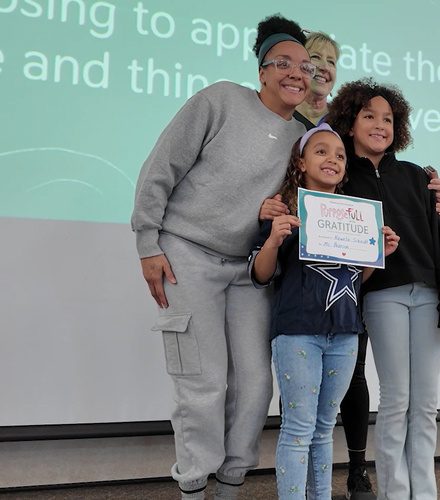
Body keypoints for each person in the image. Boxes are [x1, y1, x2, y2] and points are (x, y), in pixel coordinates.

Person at [130, 14, 316, 500]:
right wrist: (147, 242)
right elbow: (161, 166)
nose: (296, 73)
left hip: (249, 271)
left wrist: (426, 194)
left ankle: (231, 483)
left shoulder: (303, 135)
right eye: (283, 63)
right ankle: (194, 484)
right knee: (202, 381)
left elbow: (330, 181)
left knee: (255, 386)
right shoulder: (220, 100)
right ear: (262, 70)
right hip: (185, 253)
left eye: (305, 65)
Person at [325, 78, 440, 500]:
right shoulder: (342, 177)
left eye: (388, 118)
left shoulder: (415, 177)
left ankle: (423, 493)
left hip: (427, 298)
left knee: (425, 403)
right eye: (369, 115)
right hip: (381, 296)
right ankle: (394, 492)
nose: (379, 124)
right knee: (396, 399)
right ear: (349, 124)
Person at [249, 123, 399, 499]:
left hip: (346, 332)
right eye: (320, 151)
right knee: (298, 428)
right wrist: (272, 240)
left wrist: (378, 255)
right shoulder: (283, 211)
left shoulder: (356, 217)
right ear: (300, 163)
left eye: (339, 155)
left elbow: (355, 280)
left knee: (322, 428)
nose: (331, 158)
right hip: (297, 330)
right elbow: (261, 275)